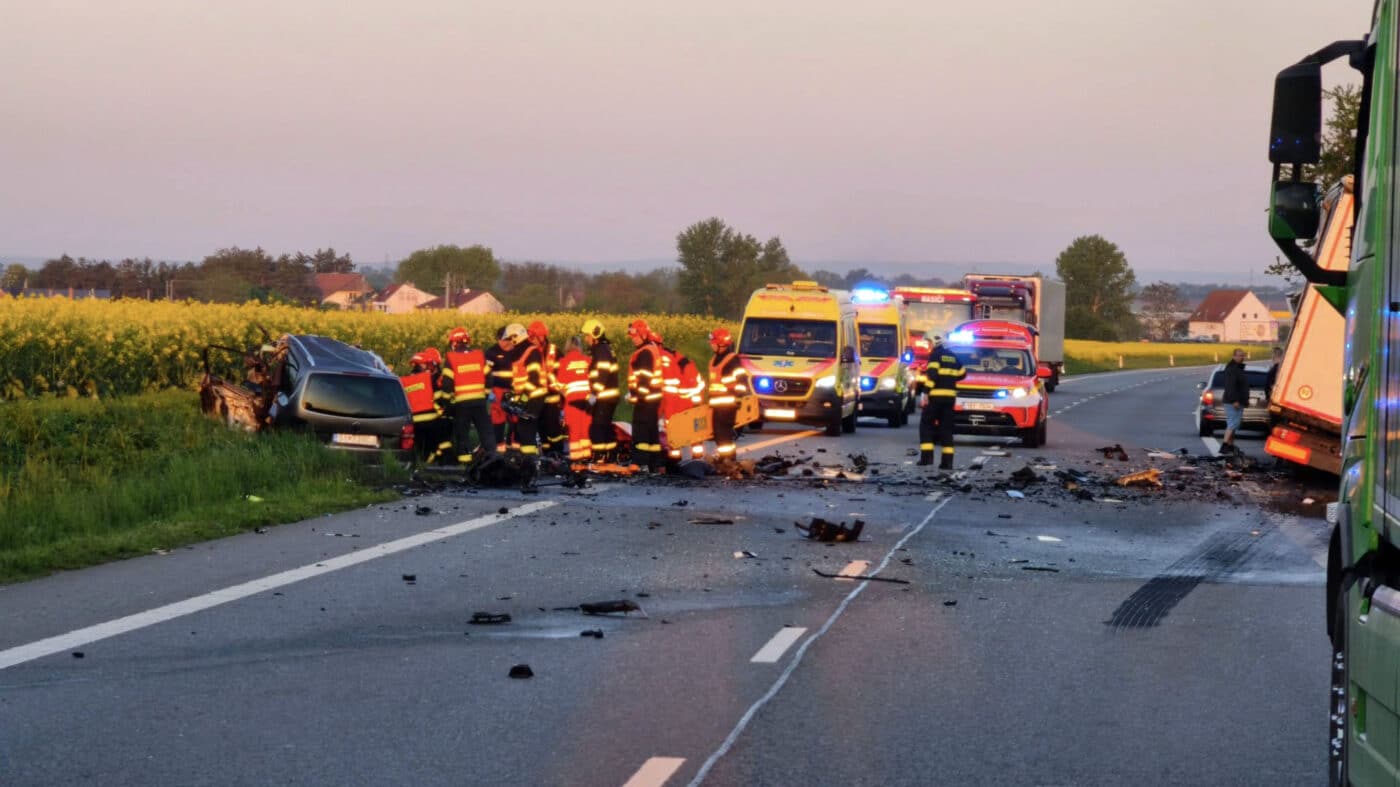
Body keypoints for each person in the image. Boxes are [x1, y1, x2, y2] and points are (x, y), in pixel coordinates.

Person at [441, 327, 494, 466]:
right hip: (480, 402)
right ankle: (491, 460)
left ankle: (465, 465)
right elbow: (489, 378)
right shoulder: (478, 355)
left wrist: (447, 402)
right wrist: (485, 395)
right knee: (485, 431)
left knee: (462, 435)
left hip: (462, 404)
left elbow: (447, 383)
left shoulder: (451, 358)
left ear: (453, 343)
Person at [915, 335, 965, 469]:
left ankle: (927, 459)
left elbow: (932, 376)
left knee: (926, 426)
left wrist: (925, 392)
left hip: (935, 398)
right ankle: (947, 463)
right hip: (949, 399)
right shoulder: (952, 356)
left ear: (936, 342)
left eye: (929, 342)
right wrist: (949, 378)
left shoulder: (935, 355)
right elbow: (963, 373)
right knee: (946, 429)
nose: (928, 345)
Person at [508, 323, 544, 489]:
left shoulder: (531, 351)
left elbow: (534, 379)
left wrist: (522, 398)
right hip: (526, 399)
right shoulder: (520, 352)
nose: (510, 342)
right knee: (522, 434)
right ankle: (524, 470)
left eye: (511, 338)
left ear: (517, 336)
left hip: (533, 399)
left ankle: (529, 474)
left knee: (527, 435)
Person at [399, 349, 450, 464]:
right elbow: (438, 398)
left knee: (421, 448)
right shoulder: (429, 378)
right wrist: (442, 413)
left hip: (413, 423)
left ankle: (423, 463)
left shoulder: (403, 381)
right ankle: (445, 461)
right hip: (431, 420)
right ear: (422, 365)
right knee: (443, 442)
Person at [626, 319, 664, 473]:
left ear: (642, 335)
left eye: (635, 336)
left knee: (641, 432)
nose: (632, 339)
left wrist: (635, 396)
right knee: (652, 433)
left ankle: (639, 462)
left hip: (645, 399)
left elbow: (644, 378)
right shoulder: (650, 349)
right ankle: (656, 464)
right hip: (652, 398)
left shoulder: (645, 352)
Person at [707, 327, 748, 463]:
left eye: (713, 342)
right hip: (717, 404)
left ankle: (728, 459)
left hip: (728, 404)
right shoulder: (715, 359)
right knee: (718, 434)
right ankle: (726, 458)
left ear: (721, 344)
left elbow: (742, 382)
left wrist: (737, 398)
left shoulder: (732, 360)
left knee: (723, 434)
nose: (711, 344)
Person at [582, 319, 621, 463]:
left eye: (587, 335)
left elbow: (602, 374)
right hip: (608, 396)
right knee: (605, 427)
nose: (586, 339)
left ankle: (599, 456)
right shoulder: (604, 349)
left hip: (604, 396)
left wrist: (594, 394)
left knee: (597, 427)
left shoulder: (602, 351)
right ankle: (610, 455)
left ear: (595, 335)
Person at [555, 335, 594, 469]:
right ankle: (586, 460)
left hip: (572, 402)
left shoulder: (564, 362)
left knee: (574, 433)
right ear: (579, 346)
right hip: (588, 402)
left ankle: (576, 463)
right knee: (585, 432)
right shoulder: (588, 360)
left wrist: (566, 394)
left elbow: (559, 385)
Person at [529, 321, 567, 457]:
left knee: (554, 429)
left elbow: (563, 371)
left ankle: (557, 454)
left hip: (552, 396)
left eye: (532, 337)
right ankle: (546, 456)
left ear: (541, 337)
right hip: (537, 397)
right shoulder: (530, 351)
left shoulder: (554, 351)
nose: (530, 340)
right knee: (542, 428)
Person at [484, 325, 520, 446]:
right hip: (497, 390)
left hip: (514, 390)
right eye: (505, 340)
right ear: (499, 339)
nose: (508, 343)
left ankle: (513, 445)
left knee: (515, 418)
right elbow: (485, 373)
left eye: (510, 339)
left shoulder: (516, 351)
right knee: (498, 419)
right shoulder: (491, 353)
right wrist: (489, 392)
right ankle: (499, 446)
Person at [1220, 347, 1251, 454]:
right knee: (1232, 423)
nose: (1242, 357)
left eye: (1243, 355)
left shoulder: (1238, 368)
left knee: (1234, 424)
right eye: (1239, 355)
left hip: (1237, 401)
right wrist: (1234, 400)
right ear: (1234, 356)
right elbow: (1230, 386)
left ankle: (1230, 445)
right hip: (1232, 402)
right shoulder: (1232, 369)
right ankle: (1224, 445)